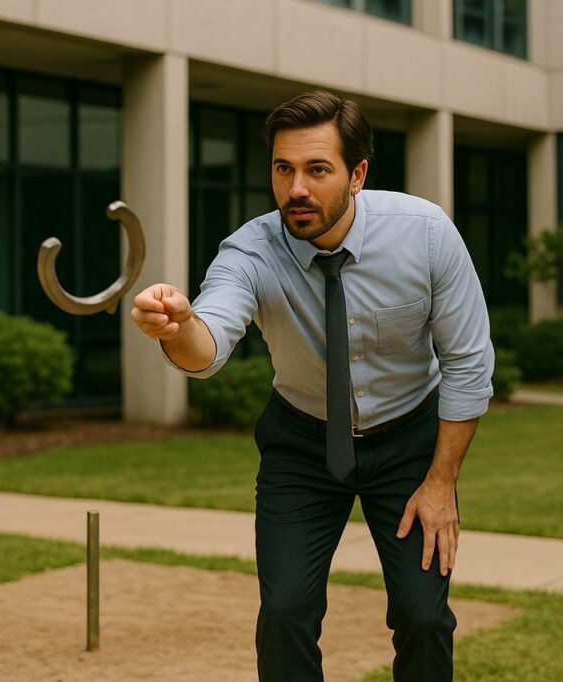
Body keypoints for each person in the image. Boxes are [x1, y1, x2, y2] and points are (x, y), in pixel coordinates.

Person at [130, 90, 493, 681]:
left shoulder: (425, 234)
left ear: (358, 174)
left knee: (423, 617)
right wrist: (176, 325)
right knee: (285, 612)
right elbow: (208, 345)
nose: (296, 188)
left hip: (411, 446)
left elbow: (469, 364)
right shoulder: (249, 250)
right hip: (301, 443)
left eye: (317, 170)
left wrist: (441, 481)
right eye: (283, 169)